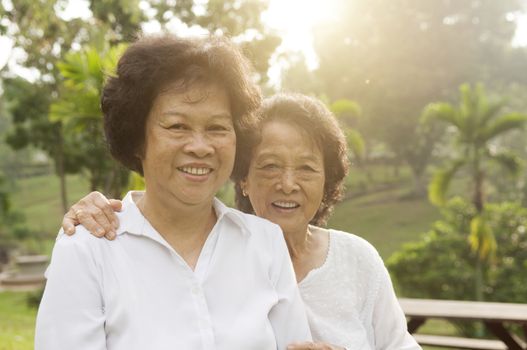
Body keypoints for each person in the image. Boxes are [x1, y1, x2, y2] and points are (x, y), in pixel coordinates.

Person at [63, 92, 421, 349]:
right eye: (269, 166)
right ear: (243, 179)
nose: (288, 184)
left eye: (307, 169)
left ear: (327, 181)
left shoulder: (356, 259)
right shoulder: (207, 259)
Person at [35, 35, 312, 350]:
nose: (199, 146)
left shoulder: (265, 242)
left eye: (217, 128)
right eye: (177, 127)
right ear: (138, 138)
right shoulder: (89, 249)